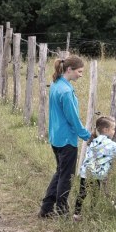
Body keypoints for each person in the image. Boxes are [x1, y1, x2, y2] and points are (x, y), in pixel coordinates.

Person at [41, 54, 91, 217]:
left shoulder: (56, 84)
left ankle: (47, 208)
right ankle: (62, 210)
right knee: (67, 176)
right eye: (79, 71)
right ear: (69, 69)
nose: (81, 75)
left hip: (56, 137)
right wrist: (86, 135)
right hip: (67, 139)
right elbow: (73, 118)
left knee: (60, 172)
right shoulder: (66, 91)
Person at [72, 116, 116, 220]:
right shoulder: (110, 145)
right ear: (106, 130)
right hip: (97, 175)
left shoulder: (93, 141)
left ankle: (76, 214)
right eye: (113, 128)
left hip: (85, 173)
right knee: (95, 195)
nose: (114, 131)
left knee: (82, 193)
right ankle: (92, 213)